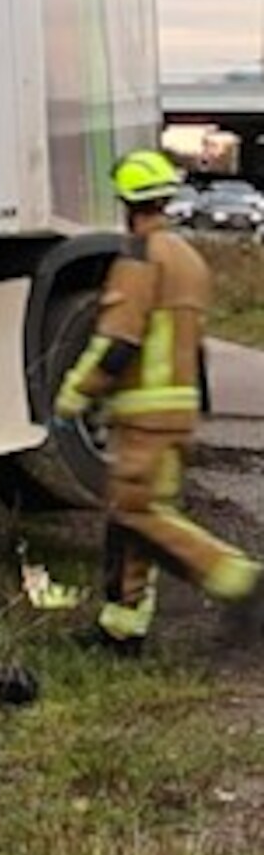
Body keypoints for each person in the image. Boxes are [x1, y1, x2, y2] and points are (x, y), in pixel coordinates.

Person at [53, 148, 262, 655]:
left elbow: (118, 342)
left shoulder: (140, 258)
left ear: (128, 203)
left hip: (144, 416)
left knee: (140, 513)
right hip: (176, 412)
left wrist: (72, 394)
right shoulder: (189, 258)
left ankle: (241, 580)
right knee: (134, 517)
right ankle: (121, 629)